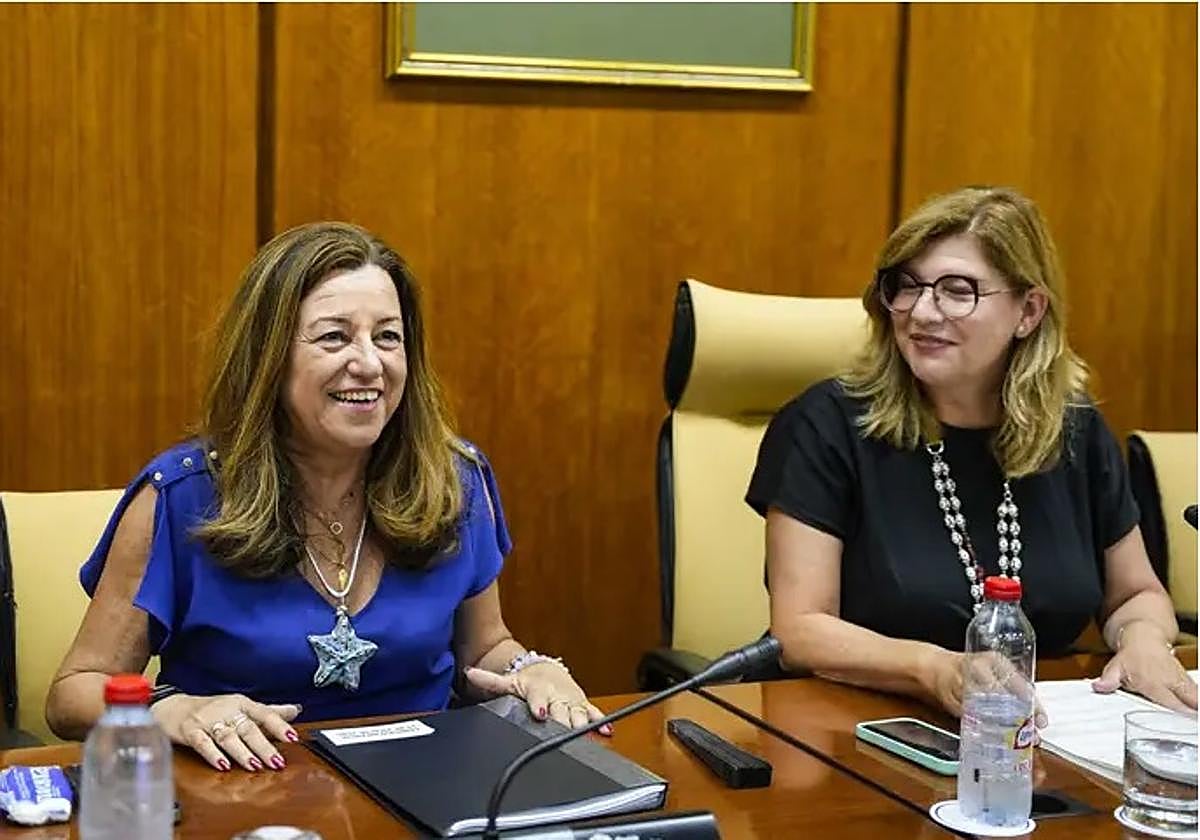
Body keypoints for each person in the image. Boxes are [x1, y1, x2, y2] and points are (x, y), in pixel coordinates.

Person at [46, 222, 608, 772]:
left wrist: (534, 670)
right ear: (269, 358)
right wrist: (170, 709)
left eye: (388, 336)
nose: (369, 363)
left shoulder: (453, 480)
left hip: (425, 791)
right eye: (335, 336)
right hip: (244, 793)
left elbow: (484, 652)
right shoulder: (180, 498)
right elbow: (72, 694)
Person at [747, 186, 1197, 718]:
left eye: (957, 291)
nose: (922, 311)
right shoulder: (827, 425)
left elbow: (1134, 596)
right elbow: (800, 629)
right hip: (854, 730)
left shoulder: (1075, 432)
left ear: (1028, 311)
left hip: (1037, 732)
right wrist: (933, 669)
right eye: (906, 287)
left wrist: (1143, 640)